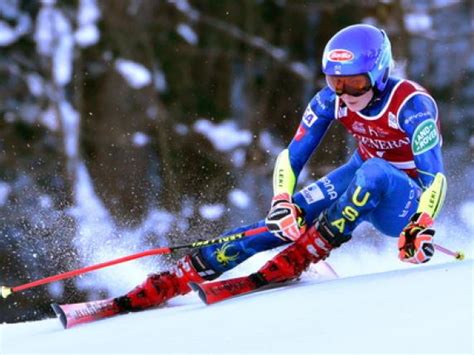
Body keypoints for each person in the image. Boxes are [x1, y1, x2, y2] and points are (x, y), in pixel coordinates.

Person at [111, 24, 446, 313]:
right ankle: (177, 278)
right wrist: (282, 200)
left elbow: (435, 178)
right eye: (335, 82)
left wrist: (422, 223)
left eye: (355, 83)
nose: (343, 94)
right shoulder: (331, 100)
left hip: (406, 197)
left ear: (380, 74)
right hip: (359, 174)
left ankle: (301, 255)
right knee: (290, 214)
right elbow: (291, 156)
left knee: (374, 170)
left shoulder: (411, 106)